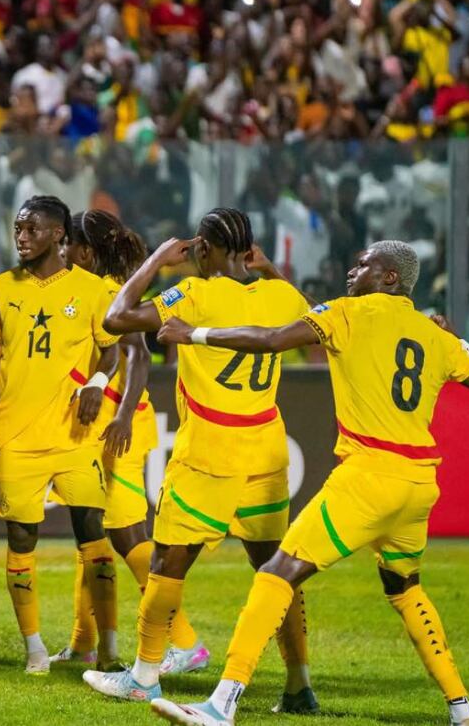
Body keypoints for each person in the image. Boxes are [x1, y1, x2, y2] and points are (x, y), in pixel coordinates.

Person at [148, 241, 469, 726]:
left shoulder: (347, 313)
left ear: (389, 278)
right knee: (405, 588)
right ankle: (462, 711)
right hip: (418, 484)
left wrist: (195, 333)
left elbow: (272, 338)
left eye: (364, 264)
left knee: (276, 574)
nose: (352, 268)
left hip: (369, 477)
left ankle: (221, 706)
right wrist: (456, 340)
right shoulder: (432, 333)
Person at [87, 209, 314, 710]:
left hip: (210, 449)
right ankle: (299, 684)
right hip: (268, 450)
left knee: (168, 563)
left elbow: (116, 318)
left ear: (204, 251)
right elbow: (322, 320)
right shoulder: (283, 295)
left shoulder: (194, 295)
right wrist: (272, 271)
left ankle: (144, 677)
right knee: (277, 570)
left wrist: (154, 262)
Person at [54, 211, 206, 674]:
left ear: (84, 251)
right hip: (102, 423)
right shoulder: (83, 291)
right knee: (91, 531)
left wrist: (120, 415)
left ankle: (185, 642)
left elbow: (138, 355)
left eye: (66, 246)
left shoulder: (109, 291)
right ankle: (85, 641)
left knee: (125, 534)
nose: (60, 253)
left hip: (121, 424)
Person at [0, 195, 122, 675]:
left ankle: (108, 646)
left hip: (75, 435)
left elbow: (112, 352)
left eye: (31, 229)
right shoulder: (2, 287)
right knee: (21, 538)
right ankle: (35, 649)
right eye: (18, 228)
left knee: (93, 534)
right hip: (17, 434)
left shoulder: (90, 290)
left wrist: (97, 383)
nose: (21, 236)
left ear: (59, 236)